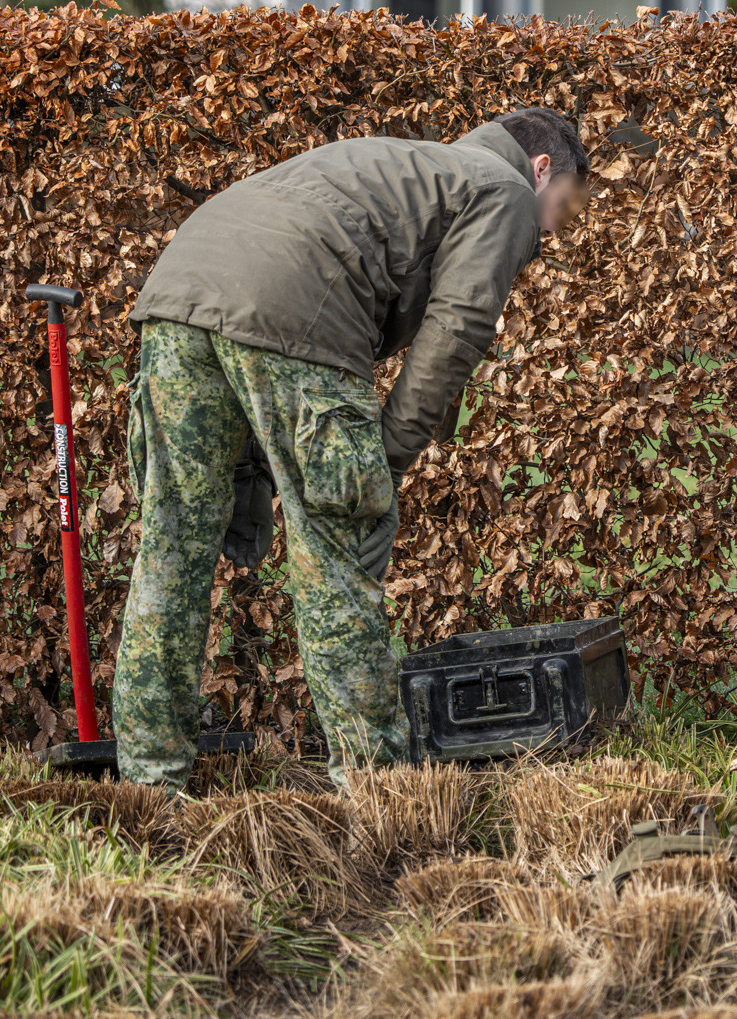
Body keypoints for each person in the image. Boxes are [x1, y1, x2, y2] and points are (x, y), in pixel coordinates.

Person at [114, 107, 589, 793]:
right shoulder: (505, 188)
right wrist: (384, 461)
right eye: (562, 206)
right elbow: (457, 328)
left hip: (178, 288)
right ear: (541, 168)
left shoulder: (418, 165)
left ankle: (149, 785)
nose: (551, 231)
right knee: (340, 549)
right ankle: (375, 790)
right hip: (292, 302)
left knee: (172, 542)